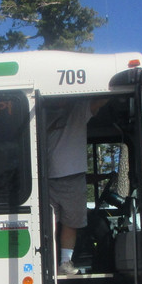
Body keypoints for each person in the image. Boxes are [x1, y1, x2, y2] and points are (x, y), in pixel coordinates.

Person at [47, 99, 103, 274]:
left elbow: (97, 103)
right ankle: (48, 261)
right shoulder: (40, 112)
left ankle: (65, 262)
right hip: (45, 177)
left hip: (71, 174)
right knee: (49, 223)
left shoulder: (77, 109)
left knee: (69, 222)